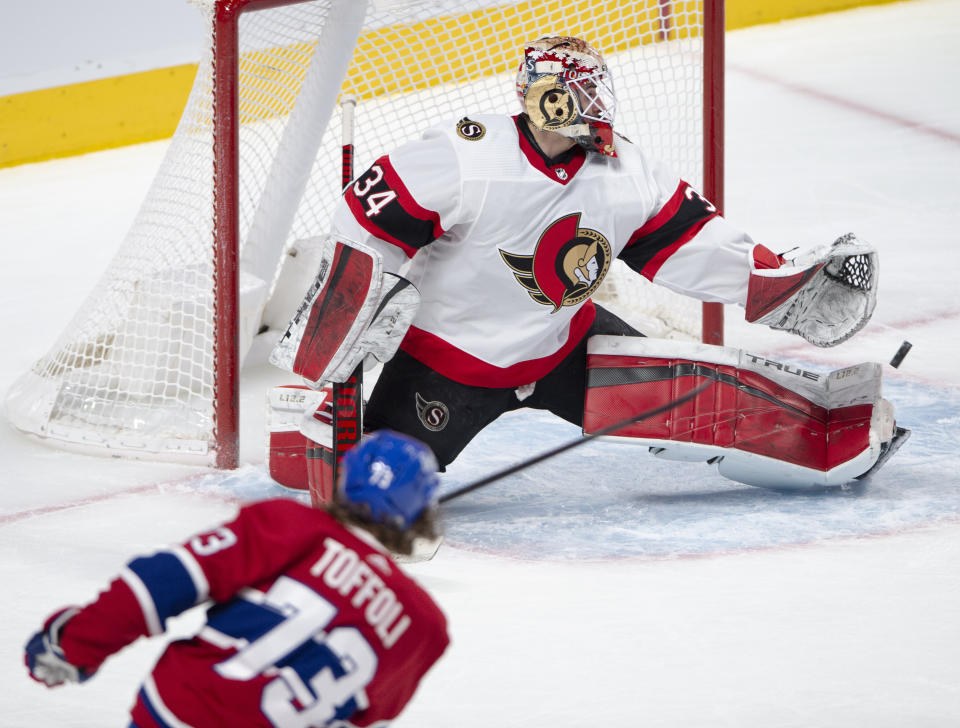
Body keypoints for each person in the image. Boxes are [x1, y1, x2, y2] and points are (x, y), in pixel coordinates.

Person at [268, 36, 897, 494]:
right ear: (542, 98)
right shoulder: (467, 155)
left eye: (597, 89)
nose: (596, 105)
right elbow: (364, 222)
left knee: (696, 396)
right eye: (578, 92)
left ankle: (830, 429)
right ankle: (316, 426)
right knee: (371, 489)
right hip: (448, 371)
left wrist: (771, 284)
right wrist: (360, 294)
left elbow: (690, 239)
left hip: (568, 347)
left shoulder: (623, 170)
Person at [25, 430, 450, 728]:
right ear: (423, 514)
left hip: (181, 713)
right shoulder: (424, 628)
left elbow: (164, 581)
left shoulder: (292, 526)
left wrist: (73, 644)